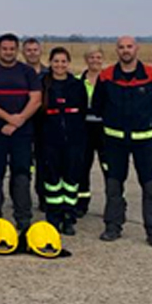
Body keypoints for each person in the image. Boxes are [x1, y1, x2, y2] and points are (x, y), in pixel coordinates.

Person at [94, 36, 152, 248]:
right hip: (114, 143)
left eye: (129, 47)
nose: (125, 50)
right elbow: (97, 105)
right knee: (113, 187)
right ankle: (113, 226)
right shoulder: (106, 76)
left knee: (151, 188)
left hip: (145, 144)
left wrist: (147, 122)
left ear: (136, 49)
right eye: (121, 47)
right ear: (116, 50)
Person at [0, 33, 41, 230]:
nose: (8, 52)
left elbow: (36, 99)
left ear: (17, 50)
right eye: (5, 49)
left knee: (21, 176)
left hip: (22, 133)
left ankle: (23, 219)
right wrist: (8, 118)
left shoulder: (27, 72)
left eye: (12, 49)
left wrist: (18, 120)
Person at [38, 47, 88, 236]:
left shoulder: (77, 85)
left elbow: (82, 111)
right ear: (50, 63)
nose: (60, 65)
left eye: (63, 61)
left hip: (74, 141)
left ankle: (69, 217)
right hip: (50, 141)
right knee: (52, 181)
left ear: (68, 63)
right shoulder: (43, 84)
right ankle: (53, 217)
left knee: (71, 181)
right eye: (56, 61)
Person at [78, 45, 105, 218]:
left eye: (98, 57)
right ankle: (81, 203)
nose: (95, 61)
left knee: (110, 168)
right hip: (84, 129)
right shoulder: (77, 81)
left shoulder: (110, 80)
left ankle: (116, 204)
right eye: (91, 57)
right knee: (82, 167)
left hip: (104, 129)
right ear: (86, 60)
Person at [23, 37, 48, 211]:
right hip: (23, 123)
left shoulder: (49, 73)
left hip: (45, 125)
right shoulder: (18, 72)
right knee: (23, 164)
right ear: (23, 53)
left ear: (40, 51)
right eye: (29, 50)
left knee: (44, 163)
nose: (32, 53)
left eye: (35, 50)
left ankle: (43, 198)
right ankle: (23, 200)